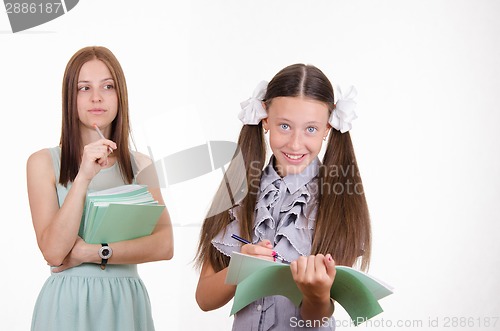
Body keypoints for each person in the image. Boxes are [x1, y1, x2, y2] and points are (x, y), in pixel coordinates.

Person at [195, 64, 371, 330]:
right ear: (266, 119)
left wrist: (317, 295)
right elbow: (204, 299)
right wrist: (240, 268)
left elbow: (316, 318)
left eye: (311, 129)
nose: (296, 143)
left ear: (327, 128)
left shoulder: (338, 204)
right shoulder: (238, 193)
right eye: (285, 126)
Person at [27, 46, 174, 331]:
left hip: (126, 304)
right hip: (67, 306)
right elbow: (54, 252)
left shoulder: (140, 165)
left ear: (121, 96)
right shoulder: (43, 162)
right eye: (84, 88)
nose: (97, 97)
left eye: (108, 86)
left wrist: (92, 252)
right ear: (70, 97)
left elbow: (165, 244)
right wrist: (83, 175)